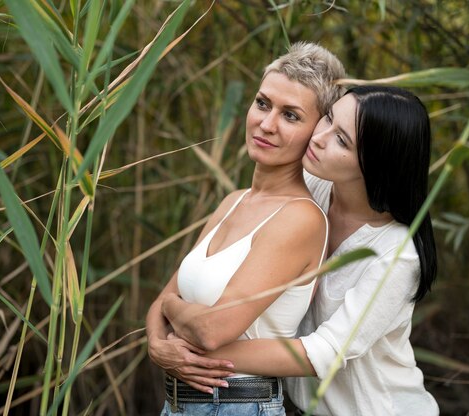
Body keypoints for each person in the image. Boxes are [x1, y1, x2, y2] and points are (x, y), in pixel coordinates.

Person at [157, 86, 440, 416]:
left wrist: (195, 351)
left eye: (342, 141)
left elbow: (323, 352)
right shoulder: (313, 190)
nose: (319, 138)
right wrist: (168, 338)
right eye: (329, 119)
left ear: (377, 164)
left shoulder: (396, 254)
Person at [146, 42, 347, 415]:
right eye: (263, 103)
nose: (267, 124)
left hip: (237, 405)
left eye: (290, 116)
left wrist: (171, 309)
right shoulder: (233, 201)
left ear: (316, 132)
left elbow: (210, 329)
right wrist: (158, 345)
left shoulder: (300, 218)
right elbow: (158, 302)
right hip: (177, 404)